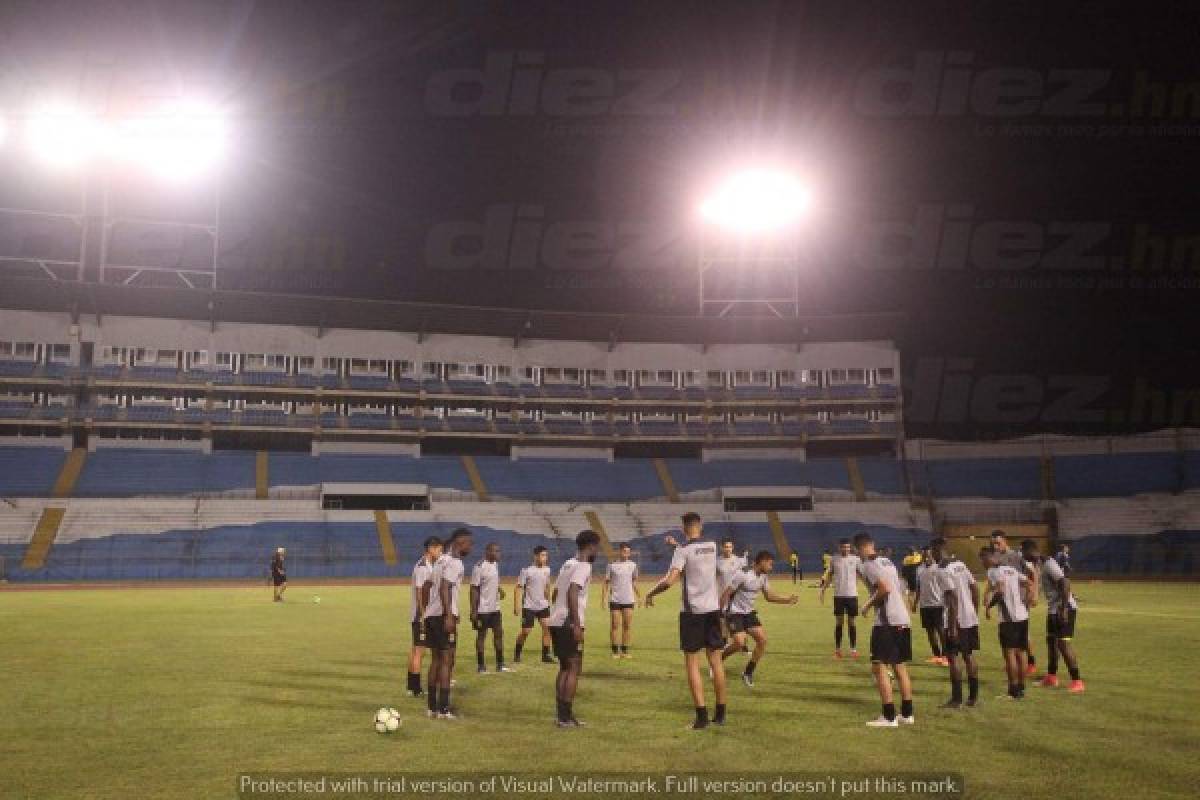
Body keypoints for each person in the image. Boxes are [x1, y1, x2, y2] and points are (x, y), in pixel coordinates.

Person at [645, 512, 728, 730]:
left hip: (693, 613)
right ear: (700, 525)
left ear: (683, 528)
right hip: (713, 610)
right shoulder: (712, 545)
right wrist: (678, 546)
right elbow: (695, 550)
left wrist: (651, 593)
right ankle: (720, 714)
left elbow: (671, 580)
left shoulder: (682, 551)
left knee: (692, 663)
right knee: (716, 662)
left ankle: (701, 718)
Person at [854, 532, 915, 727]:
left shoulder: (868, 565)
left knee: (879, 667)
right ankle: (907, 714)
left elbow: (885, 588)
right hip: (902, 619)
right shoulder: (887, 562)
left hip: (887, 622)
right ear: (872, 544)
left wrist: (866, 605)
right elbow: (897, 587)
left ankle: (889, 717)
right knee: (899, 667)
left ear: (858, 548)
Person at [719, 550, 799, 687]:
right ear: (762, 562)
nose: (771, 567)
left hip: (749, 613)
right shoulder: (743, 574)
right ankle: (718, 661)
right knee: (739, 643)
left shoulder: (763, 577)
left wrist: (787, 600)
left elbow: (769, 596)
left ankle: (748, 673)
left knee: (762, 641)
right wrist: (721, 614)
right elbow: (726, 594)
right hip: (734, 613)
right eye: (770, 564)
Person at [548, 530, 602, 728]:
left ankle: (561, 716)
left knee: (564, 667)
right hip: (568, 623)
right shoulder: (584, 566)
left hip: (557, 620)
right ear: (591, 546)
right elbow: (572, 591)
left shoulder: (568, 564)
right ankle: (566, 717)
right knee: (573, 668)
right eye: (597, 547)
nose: (598, 551)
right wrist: (576, 623)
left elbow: (556, 592)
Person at [422, 527, 472, 719]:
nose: (471, 547)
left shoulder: (440, 561)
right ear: (460, 542)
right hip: (443, 618)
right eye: (469, 543)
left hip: (431, 616)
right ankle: (444, 709)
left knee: (435, 660)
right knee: (446, 661)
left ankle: (431, 707)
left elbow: (426, 587)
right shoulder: (455, 563)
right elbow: (444, 588)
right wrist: (449, 615)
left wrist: (427, 610)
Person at [931, 537, 981, 708]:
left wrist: (952, 627)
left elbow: (952, 598)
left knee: (953, 658)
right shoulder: (961, 564)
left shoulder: (942, 570)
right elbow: (974, 588)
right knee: (969, 655)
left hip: (955, 620)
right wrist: (974, 611)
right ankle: (973, 698)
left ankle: (956, 699)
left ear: (936, 551)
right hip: (969, 617)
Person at [1030, 542, 1085, 693]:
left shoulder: (1048, 563)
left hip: (1063, 609)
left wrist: (1064, 608)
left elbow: (1065, 582)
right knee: (1051, 643)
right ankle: (1051, 677)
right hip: (1053, 610)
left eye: (1024, 552)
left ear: (1031, 551)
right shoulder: (1039, 565)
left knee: (1063, 645)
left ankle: (1077, 681)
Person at [982, 544, 1031, 700]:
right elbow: (1028, 582)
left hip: (1008, 618)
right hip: (1022, 615)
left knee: (1009, 654)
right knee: (1021, 653)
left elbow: (1001, 591)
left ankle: (1013, 691)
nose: (982, 562)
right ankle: (1021, 688)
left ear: (989, 557)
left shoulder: (993, 571)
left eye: (982, 558)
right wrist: (1027, 599)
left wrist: (989, 607)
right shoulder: (1011, 569)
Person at [991, 531, 1038, 677]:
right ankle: (1014, 662)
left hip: (1021, 599)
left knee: (1023, 633)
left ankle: (1031, 662)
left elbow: (1033, 572)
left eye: (998, 542)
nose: (995, 545)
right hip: (1007, 599)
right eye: (993, 543)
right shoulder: (997, 556)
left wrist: (1033, 594)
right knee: (1011, 634)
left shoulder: (1016, 555)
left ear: (1005, 541)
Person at [407, 536, 443, 698]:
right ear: (431, 549)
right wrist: (423, 617)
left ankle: (411, 686)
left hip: (421, 615)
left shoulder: (428, 565)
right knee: (419, 652)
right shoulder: (422, 567)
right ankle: (415, 689)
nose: (440, 553)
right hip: (421, 616)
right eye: (439, 549)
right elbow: (420, 592)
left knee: (416, 650)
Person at [470, 542, 509, 674]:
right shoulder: (479, 567)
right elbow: (474, 589)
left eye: (499, 551)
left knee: (499, 634)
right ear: (488, 552)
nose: (499, 554)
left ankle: (500, 664)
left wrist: (500, 590)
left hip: (495, 608)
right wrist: (473, 611)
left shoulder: (495, 564)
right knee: (482, 636)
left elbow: (493, 581)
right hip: (483, 610)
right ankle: (481, 666)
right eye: (496, 551)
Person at [820, 539, 861, 658]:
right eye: (844, 547)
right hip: (838, 596)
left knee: (852, 622)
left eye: (848, 547)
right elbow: (829, 575)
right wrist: (823, 589)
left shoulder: (856, 559)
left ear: (850, 548)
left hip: (852, 595)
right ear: (839, 547)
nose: (846, 549)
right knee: (839, 622)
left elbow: (862, 575)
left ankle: (853, 649)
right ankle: (838, 650)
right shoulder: (834, 559)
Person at [513, 546, 555, 664]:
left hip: (543, 606)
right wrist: (516, 606)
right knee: (526, 631)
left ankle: (545, 655)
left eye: (546, 555)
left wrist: (549, 599)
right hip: (529, 607)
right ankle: (517, 653)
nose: (545, 558)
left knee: (547, 629)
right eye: (542, 555)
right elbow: (518, 588)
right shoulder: (526, 570)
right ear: (535, 556)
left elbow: (547, 585)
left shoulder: (547, 569)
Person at [604, 542, 641, 659]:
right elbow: (606, 582)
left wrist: (639, 596)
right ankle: (615, 651)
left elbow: (634, 582)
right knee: (615, 625)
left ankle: (624, 651)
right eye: (624, 551)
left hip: (628, 600)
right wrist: (603, 598)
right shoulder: (611, 565)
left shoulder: (633, 565)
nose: (626, 554)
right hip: (615, 599)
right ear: (620, 551)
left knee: (627, 626)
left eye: (628, 552)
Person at [911, 548, 947, 665]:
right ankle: (936, 655)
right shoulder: (919, 569)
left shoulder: (938, 568)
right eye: (924, 555)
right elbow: (918, 587)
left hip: (937, 604)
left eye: (928, 555)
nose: (926, 557)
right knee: (930, 632)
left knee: (940, 630)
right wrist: (915, 603)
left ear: (933, 556)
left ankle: (945, 656)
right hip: (924, 605)